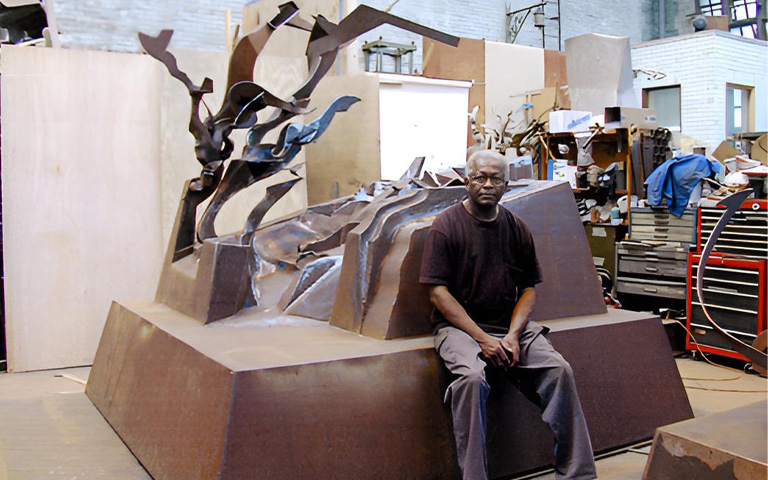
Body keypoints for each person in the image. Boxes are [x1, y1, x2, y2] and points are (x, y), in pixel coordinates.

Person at [419, 150, 597, 480]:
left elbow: (528, 289)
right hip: (459, 329)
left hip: (508, 325)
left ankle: (577, 474)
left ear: (506, 185)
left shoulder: (517, 228)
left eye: (495, 179)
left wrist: (513, 335)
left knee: (559, 370)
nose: (487, 185)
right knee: (471, 379)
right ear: (466, 182)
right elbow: (437, 293)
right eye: (480, 178)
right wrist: (483, 339)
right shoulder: (446, 227)